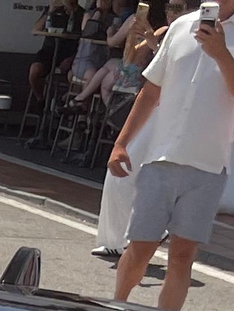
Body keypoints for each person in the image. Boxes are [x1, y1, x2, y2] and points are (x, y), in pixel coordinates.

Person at [108, 0, 234, 311]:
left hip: (208, 166)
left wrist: (222, 54)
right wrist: (121, 143)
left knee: (182, 256)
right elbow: (151, 90)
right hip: (161, 158)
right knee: (140, 247)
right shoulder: (181, 26)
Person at [91, 0, 168, 258]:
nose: (174, 13)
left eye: (180, 8)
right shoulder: (164, 32)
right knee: (122, 171)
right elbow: (130, 62)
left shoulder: (195, 35)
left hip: (171, 112)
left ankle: (150, 230)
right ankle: (114, 238)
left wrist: (157, 47)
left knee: (153, 176)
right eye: (172, 7)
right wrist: (139, 37)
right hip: (148, 105)